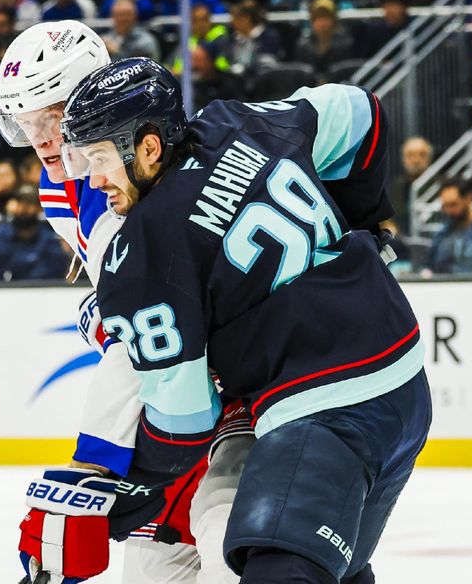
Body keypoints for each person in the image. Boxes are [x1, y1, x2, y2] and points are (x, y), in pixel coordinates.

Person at [58, 58, 432, 583]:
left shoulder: (144, 249)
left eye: (99, 157)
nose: (93, 180)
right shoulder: (240, 121)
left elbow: (182, 419)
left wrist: (131, 486)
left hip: (323, 407)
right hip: (404, 381)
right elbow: (359, 111)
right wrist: (361, 218)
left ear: (148, 146)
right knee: (333, 570)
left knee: (279, 569)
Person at [0, 21, 251, 584]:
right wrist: (104, 304)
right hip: (179, 394)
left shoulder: (147, 180)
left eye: (51, 118)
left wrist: (94, 470)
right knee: (154, 568)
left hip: (229, 390)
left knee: (232, 540)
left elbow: (149, 319)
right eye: (24, 123)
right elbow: (124, 296)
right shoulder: (59, 184)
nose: (39, 140)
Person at [0, 185, 68, 281]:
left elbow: (55, 277)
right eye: (19, 201)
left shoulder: (48, 242)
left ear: (39, 208)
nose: (24, 207)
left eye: (30, 202)